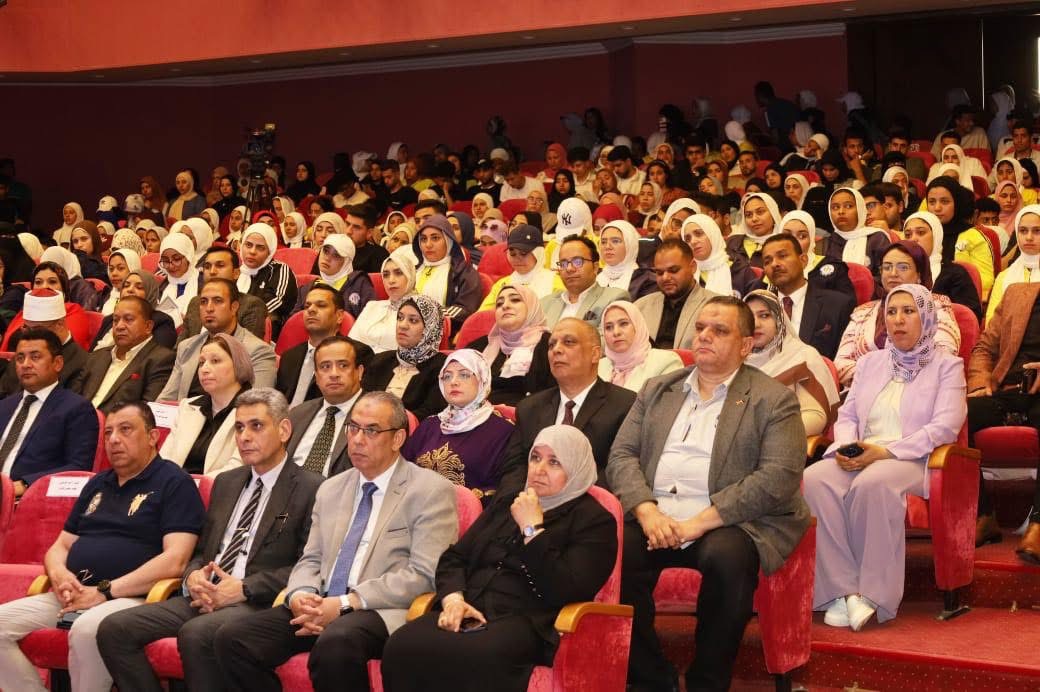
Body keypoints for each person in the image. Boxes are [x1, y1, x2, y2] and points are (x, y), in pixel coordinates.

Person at [606, 296, 810, 692]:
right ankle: (652, 678)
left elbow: (778, 477)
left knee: (728, 558)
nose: (704, 336)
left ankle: (707, 681)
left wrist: (697, 524)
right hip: (656, 517)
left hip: (727, 522)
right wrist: (647, 512)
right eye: (700, 328)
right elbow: (622, 454)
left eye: (719, 331)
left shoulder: (773, 399)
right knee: (612, 551)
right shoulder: (657, 389)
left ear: (746, 345)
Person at [212, 391, 458, 691]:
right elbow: (311, 559)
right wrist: (301, 594)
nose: (357, 440)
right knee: (232, 639)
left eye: (371, 431)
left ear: (397, 438)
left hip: (379, 608)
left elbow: (424, 573)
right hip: (321, 603)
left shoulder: (430, 491)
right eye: (353, 428)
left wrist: (345, 603)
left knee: (336, 642)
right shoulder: (331, 488)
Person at [96, 388, 323, 692]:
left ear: (283, 430)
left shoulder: (312, 488)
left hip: (258, 602)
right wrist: (193, 578)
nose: (244, 437)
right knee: (114, 629)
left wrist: (243, 588)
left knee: (197, 634)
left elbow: (309, 566)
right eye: (239, 428)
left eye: (256, 426)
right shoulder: (226, 483)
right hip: (204, 595)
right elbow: (202, 551)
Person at [382, 424, 616, 691]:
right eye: (535, 458)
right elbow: (454, 558)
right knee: (401, 645)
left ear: (576, 469)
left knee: (478, 656)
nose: (539, 469)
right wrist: (454, 601)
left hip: (524, 620)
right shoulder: (508, 503)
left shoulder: (594, 521)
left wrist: (531, 530)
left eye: (554, 462)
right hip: (469, 608)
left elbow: (566, 588)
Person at [0, 400, 204, 692]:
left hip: (134, 598)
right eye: (108, 432)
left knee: (87, 630)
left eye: (125, 429)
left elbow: (176, 560)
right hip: (76, 594)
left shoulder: (174, 482)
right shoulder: (97, 484)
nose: (114, 440)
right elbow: (60, 547)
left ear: (152, 437)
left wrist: (105, 591)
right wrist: (59, 575)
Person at [806, 285, 966, 629]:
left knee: (873, 483)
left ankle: (873, 593)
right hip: (864, 452)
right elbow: (847, 415)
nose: (898, 320)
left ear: (926, 318)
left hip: (912, 458)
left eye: (908, 311)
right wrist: (848, 447)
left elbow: (945, 427)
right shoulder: (869, 363)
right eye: (891, 312)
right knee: (813, 480)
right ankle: (841, 591)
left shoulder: (947, 366)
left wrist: (885, 452)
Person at [495, 318, 636, 495]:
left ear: (595, 354)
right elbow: (514, 471)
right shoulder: (530, 408)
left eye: (569, 342)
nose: (557, 350)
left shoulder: (625, 405)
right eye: (551, 345)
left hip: (587, 505)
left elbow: (617, 471)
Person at [967, 281, 1040, 549]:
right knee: (955, 417)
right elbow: (984, 349)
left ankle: (1039, 525)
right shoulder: (1016, 294)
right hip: (1006, 391)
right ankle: (983, 515)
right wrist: (980, 382)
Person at [835, 241, 961, 387]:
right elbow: (841, 363)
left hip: (920, 392)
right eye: (887, 267)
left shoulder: (937, 306)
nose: (893, 273)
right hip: (861, 391)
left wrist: (890, 382)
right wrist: (876, 384)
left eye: (903, 267)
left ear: (919, 274)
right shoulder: (863, 311)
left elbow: (944, 354)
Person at [402, 349, 515, 501]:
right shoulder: (430, 425)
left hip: (463, 512)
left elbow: (501, 489)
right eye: (447, 376)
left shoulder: (503, 431)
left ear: (482, 379)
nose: (453, 382)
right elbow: (402, 470)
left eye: (464, 375)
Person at [0, 328, 98, 498]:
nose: (25, 364)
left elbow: (78, 467)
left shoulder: (76, 408)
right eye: (20, 358)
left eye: (35, 357)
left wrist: (26, 484)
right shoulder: (5, 406)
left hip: (27, 498)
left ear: (57, 363)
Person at [158, 279, 277, 401]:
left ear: (234, 307)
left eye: (218, 301)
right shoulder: (187, 347)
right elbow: (166, 400)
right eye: (203, 302)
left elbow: (258, 404)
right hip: (184, 412)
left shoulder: (257, 351)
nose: (209, 308)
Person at [744, 290, 840, 435]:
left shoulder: (802, 356)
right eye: (748, 317)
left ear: (779, 320)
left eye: (764, 315)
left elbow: (816, 417)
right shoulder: (733, 361)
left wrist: (766, 435)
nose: (755, 324)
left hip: (779, 442)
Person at [159, 332, 255, 477]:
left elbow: (238, 469)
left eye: (215, 361)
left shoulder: (256, 411)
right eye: (201, 363)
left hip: (220, 489)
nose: (204, 369)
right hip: (176, 487)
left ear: (238, 365)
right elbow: (165, 460)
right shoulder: (187, 406)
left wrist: (191, 485)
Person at [759, 234, 856, 361]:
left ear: (803, 260)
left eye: (782, 256)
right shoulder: (758, 308)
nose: (774, 264)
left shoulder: (838, 305)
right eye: (767, 261)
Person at [72, 297, 175, 413]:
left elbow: (146, 412)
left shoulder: (161, 360)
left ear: (148, 327)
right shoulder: (96, 356)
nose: (119, 326)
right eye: (115, 320)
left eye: (128, 319)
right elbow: (73, 399)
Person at [277, 283, 373, 407]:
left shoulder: (358, 352)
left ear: (339, 316)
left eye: (321, 305)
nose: (311, 310)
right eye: (307, 306)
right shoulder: (289, 356)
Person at [286, 336, 366, 477]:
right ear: (316, 377)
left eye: (343, 365)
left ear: (359, 372)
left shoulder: (375, 416)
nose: (334, 374)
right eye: (325, 367)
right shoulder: (298, 414)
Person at [361, 295, 448, 419]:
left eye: (413, 320)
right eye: (400, 318)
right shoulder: (380, 360)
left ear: (430, 328)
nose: (402, 325)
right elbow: (362, 402)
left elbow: (431, 414)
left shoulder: (443, 368)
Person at [0, 289, 89, 395]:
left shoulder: (82, 363)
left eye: (37, 329)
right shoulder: (21, 356)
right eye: (26, 328)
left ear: (60, 324)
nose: (31, 336)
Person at [634, 239, 718, 349]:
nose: (665, 277)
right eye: (659, 273)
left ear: (693, 267)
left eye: (673, 270)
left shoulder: (715, 306)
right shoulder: (641, 307)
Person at [902, 211, 983, 322]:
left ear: (936, 236)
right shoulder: (896, 272)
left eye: (920, 233)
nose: (913, 239)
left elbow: (970, 318)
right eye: (908, 235)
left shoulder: (954, 274)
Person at [926, 177, 994, 300]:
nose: (937, 208)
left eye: (944, 202)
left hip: (961, 299)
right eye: (931, 202)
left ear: (957, 203)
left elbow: (985, 281)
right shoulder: (922, 233)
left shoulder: (973, 236)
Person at [179, 247, 268, 342]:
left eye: (220, 266)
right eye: (207, 267)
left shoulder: (251, 305)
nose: (212, 271)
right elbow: (180, 347)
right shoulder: (195, 302)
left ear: (236, 273)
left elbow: (250, 348)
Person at [541, 236, 629, 329]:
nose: (569, 268)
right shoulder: (545, 303)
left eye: (577, 262)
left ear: (595, 267)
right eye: (564, 263)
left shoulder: (614, 299)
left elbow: (609, 336)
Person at [412, 215, 481, 332]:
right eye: (423, 239)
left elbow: (465, 309)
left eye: (435, 238)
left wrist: (425, 314)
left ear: (449, 241)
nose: (428, 244)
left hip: (445, 333)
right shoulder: (413, 271)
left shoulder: (464, 272)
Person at [598, 300, 683, 392]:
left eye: (623, 324)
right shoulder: (598, 366)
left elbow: (671, 400)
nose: (616, 332)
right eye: (608, 327)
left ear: (638, 326)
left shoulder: (666, 362)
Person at [350, 249, 417, 354]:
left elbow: (413, 352)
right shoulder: (372, 306)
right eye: (386, 275)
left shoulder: (422, 310)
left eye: (398, 273)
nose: (391, 280)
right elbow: (351, 342)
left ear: (410, 276)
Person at [479, 226, 562, 311]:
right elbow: (481, 316)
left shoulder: (555, 283)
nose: (517, 259)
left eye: (523, 253)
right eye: (513, 254)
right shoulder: (502, 285)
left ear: (538, 253)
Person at [236, 223, 297, 337]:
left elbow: (277, 301)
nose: (252, 251)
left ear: (270, 251)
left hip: (263, 331)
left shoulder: (279, 269)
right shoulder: (235, 271)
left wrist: (239, 315)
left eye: (260, 247)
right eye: (248, 245)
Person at [295, 234, 375, 319]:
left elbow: (372, 319)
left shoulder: (360, 284)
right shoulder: (306, 290)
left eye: (336, 255)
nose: (327, 258)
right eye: (326, 251)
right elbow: (293, 322)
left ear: (346, 262)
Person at [985, 205, 1040, 323]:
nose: (1029, 237)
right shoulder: (1004, 277)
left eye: (1037, 231)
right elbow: (991, 323)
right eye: (1023, 231)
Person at [681, 214, 756, 297]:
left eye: (699, 234)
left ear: (713, 234)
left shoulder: (741, 271)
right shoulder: (686, 276)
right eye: (687, 239)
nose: (693, 241)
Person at [822, 187, 891, 269]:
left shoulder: (877, 238)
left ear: (860, 209)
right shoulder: (826, 242)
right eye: (835, 207)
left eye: (848, 206)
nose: (841, 211)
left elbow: (886, 272)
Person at [597, 220, 658, 300]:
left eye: (615, 241)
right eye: (603, 242)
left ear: (630, 244)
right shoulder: (595, 277)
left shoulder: (647, 280)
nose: (607, 247)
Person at [157, 232, 201, 328]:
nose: (171, 266)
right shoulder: (163, 286)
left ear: (188, 257)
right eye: (165, 260)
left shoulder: (202, 284)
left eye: (176, 259)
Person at [38, 247, 99, 311]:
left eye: (54, 266)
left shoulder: (83, 288)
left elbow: (86, 313)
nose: (48, 270)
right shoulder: (42, 284)